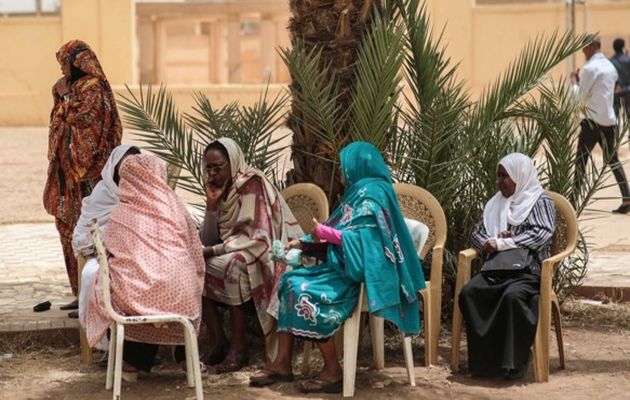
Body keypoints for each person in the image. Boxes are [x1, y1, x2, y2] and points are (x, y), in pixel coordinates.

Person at [250, 142, 426, 393]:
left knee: (303, 291)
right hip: (341, 267)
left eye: (344, 165)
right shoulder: (358, 192)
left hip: (362, 275)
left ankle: (333, 371)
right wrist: (303, 242)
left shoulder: (375, 193)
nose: (341, 171)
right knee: (289, 281)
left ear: (359, 165)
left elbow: (370, 242)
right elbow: (342, 229)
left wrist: (326, 233)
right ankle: (282, 364)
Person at [85, 153, 204, 380]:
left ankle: (130, 362)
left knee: (110, 283)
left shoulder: (121, 213)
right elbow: (194, 251)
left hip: (135, 300)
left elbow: (111, 255)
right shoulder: (176, 209)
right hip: (181, 301)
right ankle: (186, 356)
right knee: (186, 279)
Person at [200, 138, 303, 373]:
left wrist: (213, 250)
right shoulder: (220, 191)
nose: (214, 173)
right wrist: (212, 205)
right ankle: (218, 340)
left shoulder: (252, 184)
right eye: (209, 168)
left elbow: (257, 238)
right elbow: (208, 238)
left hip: (266, 252)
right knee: (194, 264)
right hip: (237, 250)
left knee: (233, 266)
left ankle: (239, 347)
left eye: (219, 166)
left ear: (233, 162)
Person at [458, 153, 556, 380]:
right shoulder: (495, 203)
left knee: (513, 297)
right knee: (470, 293)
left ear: (520, 176)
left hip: (527, 271)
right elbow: (477, 233)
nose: (500, 181)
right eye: (499, 176)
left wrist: (507, 241)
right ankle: (485, 364)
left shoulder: (541, 201)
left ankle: (512, 364)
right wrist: (490, 242)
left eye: (505, 176)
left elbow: (542, 233)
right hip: (497, 268)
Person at [43, 40, 123, 311]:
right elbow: (59, 122)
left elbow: (82, 122)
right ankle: (80, 293)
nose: (63, 69)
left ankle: (93, 297)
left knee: (90, 235)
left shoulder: (92, 88)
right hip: (68, 179)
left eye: (65, 63)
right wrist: (62, 98)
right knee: (68, 232)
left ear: (78, 63)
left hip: (88, 180)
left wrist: (64, 99)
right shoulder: (73, 89)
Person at [71, 145, 140, 322]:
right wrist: (110, 235)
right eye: (125, 166)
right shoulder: (102, 194)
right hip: (104, 255)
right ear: (114, 169)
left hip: (140, 256)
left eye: (136, 165)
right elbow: (80, 238)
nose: (131, 171)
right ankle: (101, 339)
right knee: (90, 274)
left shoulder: (146, 192)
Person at [571, 37, 630, 214]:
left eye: (584, 48)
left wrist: (574, 82)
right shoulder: (610, 67)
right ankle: (627, 198)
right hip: (609, 121)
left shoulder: (590, 68)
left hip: (592, 123)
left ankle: (572, 203)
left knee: (581, 161)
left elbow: (580, 99)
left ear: (592, 47)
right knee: (613, 160)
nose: (583, 52)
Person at [610, 38, 630, 118]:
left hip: (615, 92)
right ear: (623, 47)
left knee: (615, 116)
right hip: (627, 92)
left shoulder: (610, 61)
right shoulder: (628, 60)